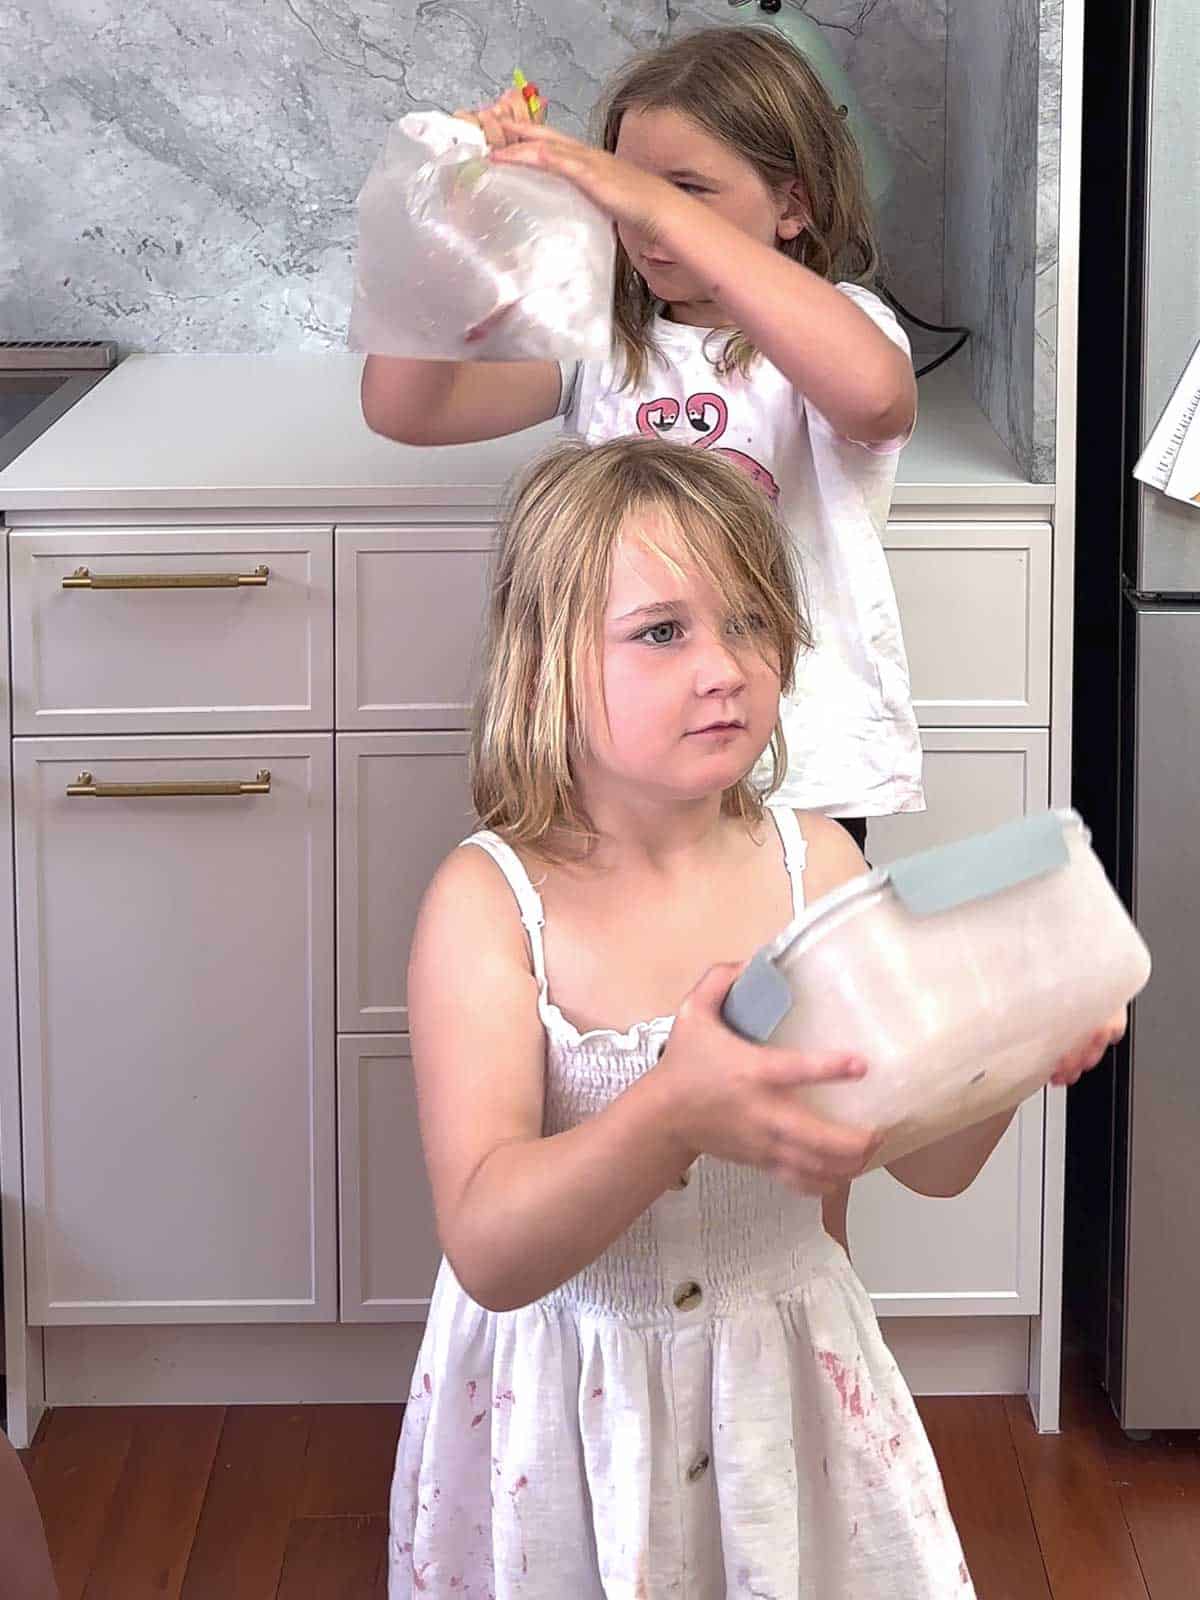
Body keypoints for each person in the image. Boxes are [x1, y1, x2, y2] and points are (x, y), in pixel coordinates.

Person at [387, 437, 1123, 1597]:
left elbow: (909, 1155)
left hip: (786, 1393)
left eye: (749, 622)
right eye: (662, 632)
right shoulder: (490, 907)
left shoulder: (814, 868)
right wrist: (673, 1109)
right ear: (544, 664)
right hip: (570, 1423)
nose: (725, 667)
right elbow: (489, 1247)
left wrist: (1015, 1053)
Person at [361, 24, 925, 858]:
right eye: (625, 194)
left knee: (781, 985)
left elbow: (876, 399)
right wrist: (447, 243)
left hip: (794, 768)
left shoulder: (841, 332)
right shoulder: (604, 345)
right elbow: (406, 411)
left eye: (689, 190)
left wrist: (648, 199)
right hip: (614, 762)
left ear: (792, 205)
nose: (644, 223)